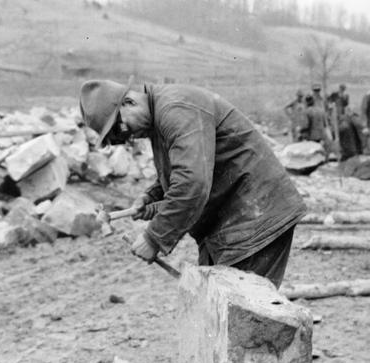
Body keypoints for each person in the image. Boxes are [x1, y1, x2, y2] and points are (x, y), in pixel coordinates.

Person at [79, 78, 307, 288]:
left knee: (244, 316)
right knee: (219, 310)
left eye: (120, 128)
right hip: (231, 221)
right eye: (118, 139)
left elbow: (192, 183)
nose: (127, 136)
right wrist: (151, 197)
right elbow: (180, 170)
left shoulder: (176, 109)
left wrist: (154, 238)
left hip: (255, 218)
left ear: (128, 102)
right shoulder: (161, 117)